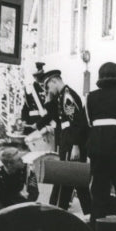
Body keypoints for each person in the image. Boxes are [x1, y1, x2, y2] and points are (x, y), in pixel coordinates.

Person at [85, 62, 116, 222]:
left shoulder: (90, 97)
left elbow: (88, 124)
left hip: (96, 147)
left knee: (99, 191)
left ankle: (96, 228)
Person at [39, 68, 91, 214]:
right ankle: (89, 212)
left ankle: (57, 210)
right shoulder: (62, 95)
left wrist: (75, 145)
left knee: (66, 179)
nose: (48, 90)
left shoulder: (67, 96)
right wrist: (49, 101)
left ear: (54, 81)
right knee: (76, 180)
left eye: (48, 87)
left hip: (72, 143)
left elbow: (76, 122)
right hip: (67, 141)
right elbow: (58, 118)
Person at [20, 61, 47, 134]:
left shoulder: (48, 88)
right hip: (32, 123)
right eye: (36, 76)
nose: (38, 78)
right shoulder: (30, 88)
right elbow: (26, 107)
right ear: (34, 77)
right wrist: (24, 120)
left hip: (45, 122)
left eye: (41, 76)